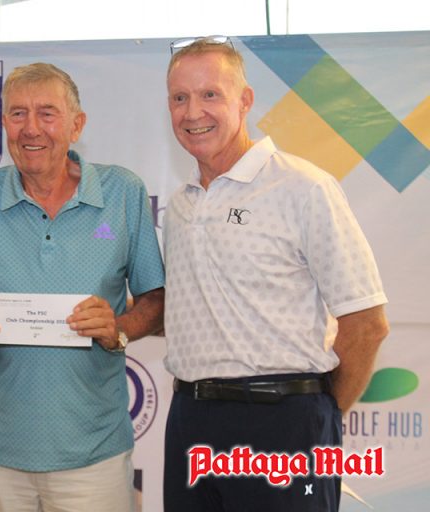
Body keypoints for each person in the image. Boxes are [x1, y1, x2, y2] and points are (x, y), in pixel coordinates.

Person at [162, 37, 390, 511]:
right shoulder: (182, 203)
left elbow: (367, 323)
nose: (192, 112)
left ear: (245, 100)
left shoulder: (304, 188)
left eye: (210, 94)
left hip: (284, 425)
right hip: (190, 420)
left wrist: (317, 415)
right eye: (180, 97)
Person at [0, 62, 165, 512]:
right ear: (3, 124)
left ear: (76, 125)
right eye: (18, 114)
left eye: (47, 113)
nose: (31, 128)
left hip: (94, 450)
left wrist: (117, 329)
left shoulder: (123, 192)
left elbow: (156, 300)